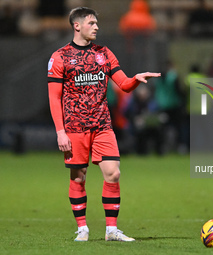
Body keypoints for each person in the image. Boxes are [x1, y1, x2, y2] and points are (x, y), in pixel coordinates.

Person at [47, 7, 160, 242]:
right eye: (91, 23)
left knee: (113, 173)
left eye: (97, 23)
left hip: (102, 126)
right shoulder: (60, 57)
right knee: (78, 178)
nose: (96, 26)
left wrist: (136, 80)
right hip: (75, 128)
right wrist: (60, 131)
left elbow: (123, 84)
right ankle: (82, 228)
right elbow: (54, 98)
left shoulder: (104, 53)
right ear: (77, 26)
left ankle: (111, 230)